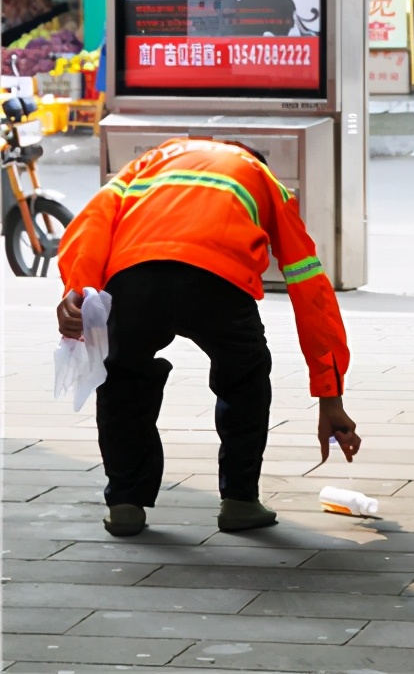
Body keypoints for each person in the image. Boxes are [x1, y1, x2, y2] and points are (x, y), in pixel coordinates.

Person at [56, 137, 361, 537]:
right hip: (219, 282)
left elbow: (92, 222)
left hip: (134, 279)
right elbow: (310, 287)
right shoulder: (262, 177)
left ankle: (125, 504)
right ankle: (239, 501)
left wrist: (77, 291)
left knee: (124, 378)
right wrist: (330, 397)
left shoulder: (151, 161)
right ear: (254, 158)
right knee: (244, 375)